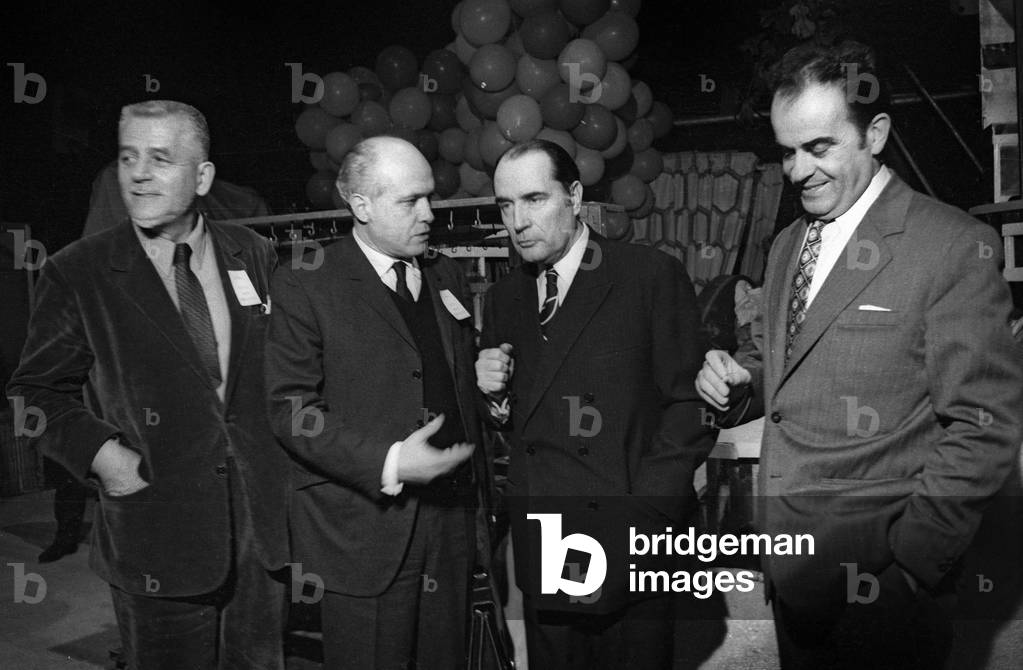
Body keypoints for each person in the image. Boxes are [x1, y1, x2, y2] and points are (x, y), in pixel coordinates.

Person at [695, 41, 1023, 669]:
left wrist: (916, 562)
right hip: (792, 575)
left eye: (819, 149)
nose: (797, 172)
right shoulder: (790, 242)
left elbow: (985, 426)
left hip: (888, 591)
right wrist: (742, 383)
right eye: (787, 152)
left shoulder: (953, 246)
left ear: (875, 134)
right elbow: (783, 365)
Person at [7, 99, 289, 669]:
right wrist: (107, 460)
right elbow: (32, 395)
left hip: (260, 536)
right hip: (156, 534)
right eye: (128, 156)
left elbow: (283, 374)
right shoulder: (78, 270)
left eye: (160, 158)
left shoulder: (254, 254)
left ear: (203, 175)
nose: (138, 173)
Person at [475, 139, 714, 669]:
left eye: (534, 199)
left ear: (576, 196)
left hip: (632, 535)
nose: (518, 221)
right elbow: (525, 421)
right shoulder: (505, 299)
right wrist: (494, 402)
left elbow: (691, 405)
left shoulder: (648, 275)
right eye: (505, 206)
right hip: (546, 542)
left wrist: (647, 509)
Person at [265, 136, 486, 670]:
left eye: (429, 197)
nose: (429, 214)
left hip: (451, 526)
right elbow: (290, 408)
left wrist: (486, 389)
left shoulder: (445, 275)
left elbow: (449, 379)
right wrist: (390, 461)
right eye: (410, 201)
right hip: (364, 532)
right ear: (360, 206)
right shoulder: (306, 281)